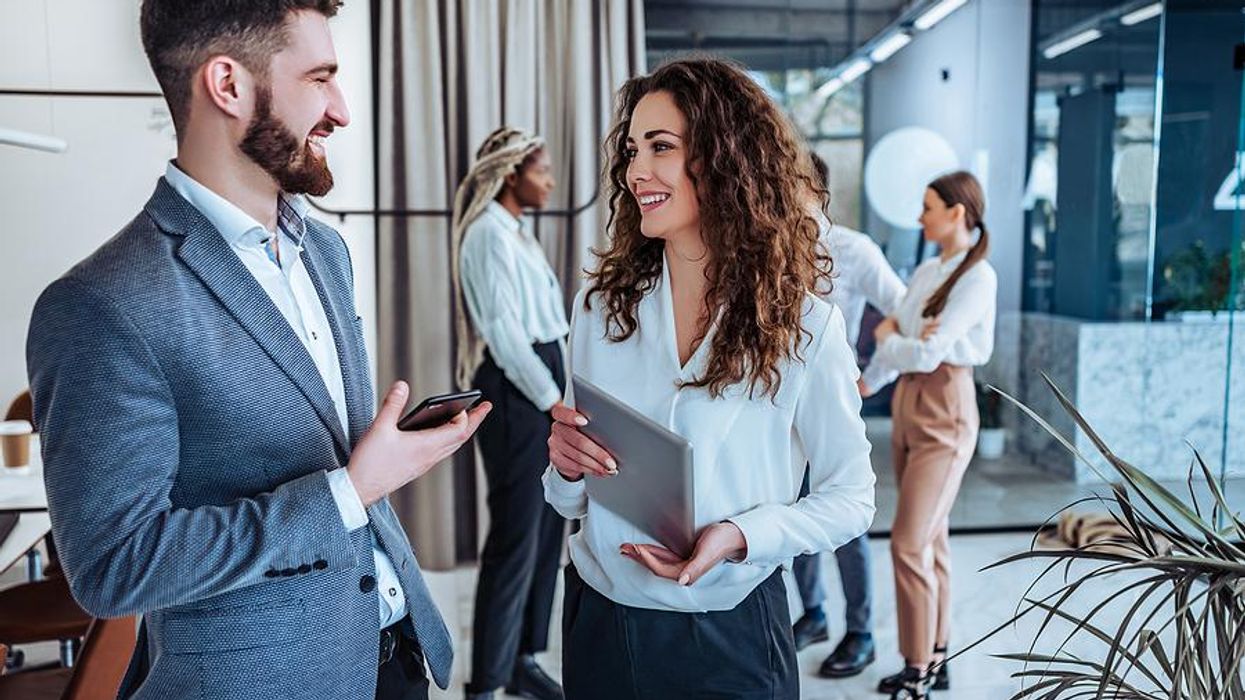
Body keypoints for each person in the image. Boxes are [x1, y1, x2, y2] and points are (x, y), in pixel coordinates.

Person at [25, 2, 490, 698]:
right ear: (228, 85)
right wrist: (350, 490)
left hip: (394, 656)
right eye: (319, 79)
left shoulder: (325, 251)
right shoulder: (102, 304)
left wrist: (375, 465)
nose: (340, 110)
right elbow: (113, 567)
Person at [541, 57, 876, 699]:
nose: (638, 171)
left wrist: (741, 536)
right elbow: (571, 501)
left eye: (661, 147)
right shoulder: (599, 309)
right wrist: (565, 467)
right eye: (634, 149)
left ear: (726, 161)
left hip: (735, 637)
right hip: (603, 626)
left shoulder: (804, 327)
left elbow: (853, 497)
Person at [859, 171, 997, 699]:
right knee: (931, 539)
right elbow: (898, 341)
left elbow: (925, 351)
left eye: (927, 207)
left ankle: (916, 669)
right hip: (908, 403)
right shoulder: (926, 271)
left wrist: (895, 337)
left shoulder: (977, 277)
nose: (920, 217)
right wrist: (871, 376)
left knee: (908, 542)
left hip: (946, 407)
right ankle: (937, 657)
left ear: (957, 212)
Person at [451, 127, 566, 700]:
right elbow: (505, 337)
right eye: (542, 170)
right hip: (517, 391)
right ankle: (488, 681)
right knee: (517, 538)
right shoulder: (487, 237)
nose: (550, 180)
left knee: (548, 532)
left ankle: (523, 659)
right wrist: (554, 401)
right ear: (511, 173)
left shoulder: (518, 233)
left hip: (542, 381)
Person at [791, 154, 907, 680]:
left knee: (843, 522)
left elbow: (905, 314)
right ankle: (813, 613)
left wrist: (871, 379)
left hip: (834, 404)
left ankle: (860, 631)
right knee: (790, 513)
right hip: (779, 407)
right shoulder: (766, 245)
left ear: (812, 187)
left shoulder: (854, 250)